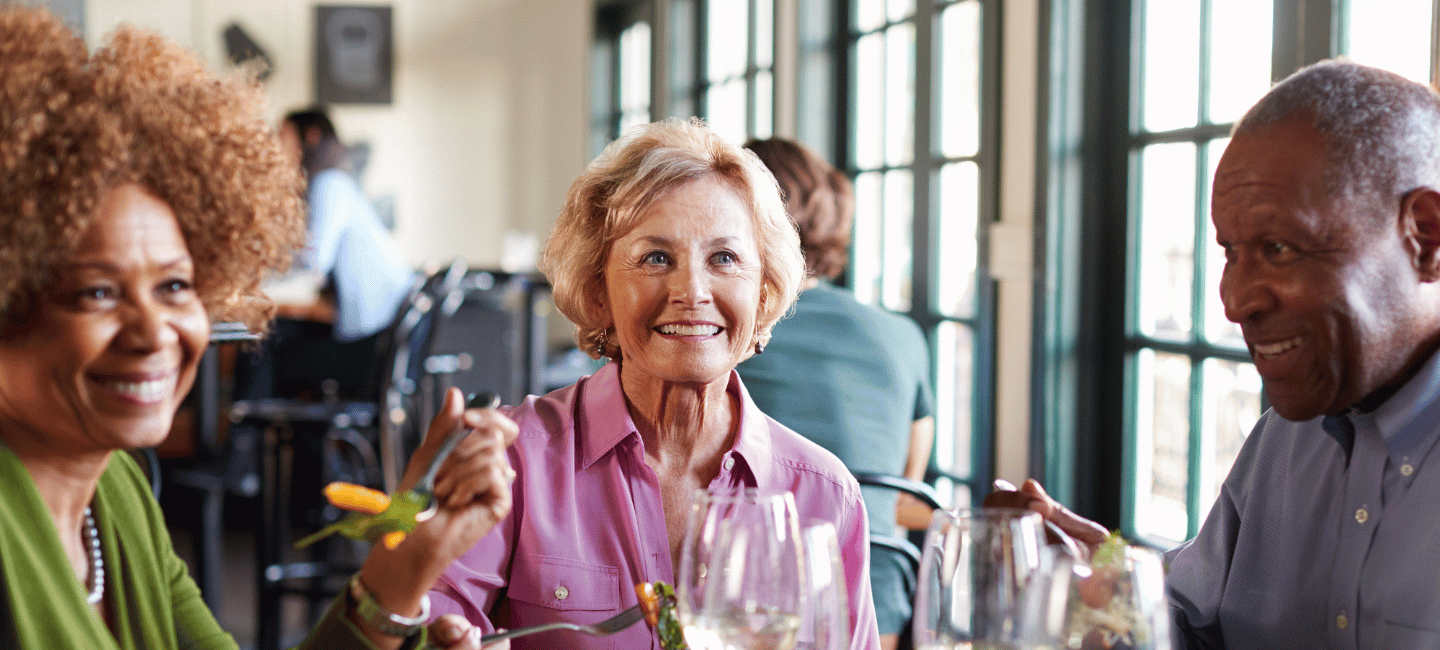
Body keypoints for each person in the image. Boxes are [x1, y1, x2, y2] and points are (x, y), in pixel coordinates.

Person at [0, 8, 517, 649]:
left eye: (175, 286)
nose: (154, 332)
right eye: (97, 292)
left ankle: (241, 450)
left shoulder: (117, 493)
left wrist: (403, 571)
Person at [1003, 59, 1440, 648]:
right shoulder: (1284, 443)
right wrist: (1112, 594)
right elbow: (1195, 631)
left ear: (1426, 235)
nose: (1235, 302)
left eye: (1278, 248)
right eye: (1232, 252)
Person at [427, 119, 882, 650]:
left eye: (724, 258)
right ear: (599, 294)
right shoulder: (515, 459)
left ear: (763, 294)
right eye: (656, 258)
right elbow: (429, 625)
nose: (691, 291)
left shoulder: (824, 495)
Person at [735, 138, 934, 650]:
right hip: (875, 597)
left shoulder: (721, 336)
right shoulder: (902, 337)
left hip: (741, 592)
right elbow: (900, 491)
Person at [241, 107, 417, 400]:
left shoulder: (329, 184)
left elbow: (313, 260)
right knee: (279, 336)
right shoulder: (339, 185)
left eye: (282, 136)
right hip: (385, 343)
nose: (276, 145)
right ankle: (272, 438)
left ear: (310, 137)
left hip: (372, 349)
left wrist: (256, 277)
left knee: (263, 345)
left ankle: (243, 438)